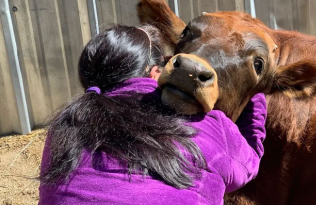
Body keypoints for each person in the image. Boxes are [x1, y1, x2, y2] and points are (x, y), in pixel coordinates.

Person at [39, 25, 267, 205]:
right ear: (157, 72)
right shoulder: (203, 124)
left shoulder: (65, 125)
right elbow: (249, 164)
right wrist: (254, 93)